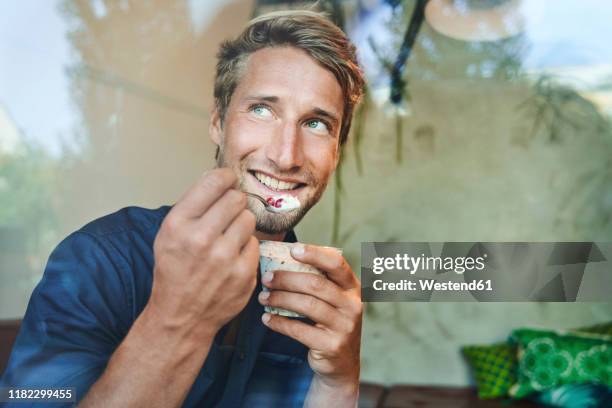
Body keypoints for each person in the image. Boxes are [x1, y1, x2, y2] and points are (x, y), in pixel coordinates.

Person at [1, 9, 365, 408]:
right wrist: (178, 319)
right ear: (217, 122)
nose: (285, 156)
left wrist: (339, 384)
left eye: (316, 123)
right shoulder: (98, 262)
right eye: (262, 109)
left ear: (336, 152)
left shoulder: (312, 303)